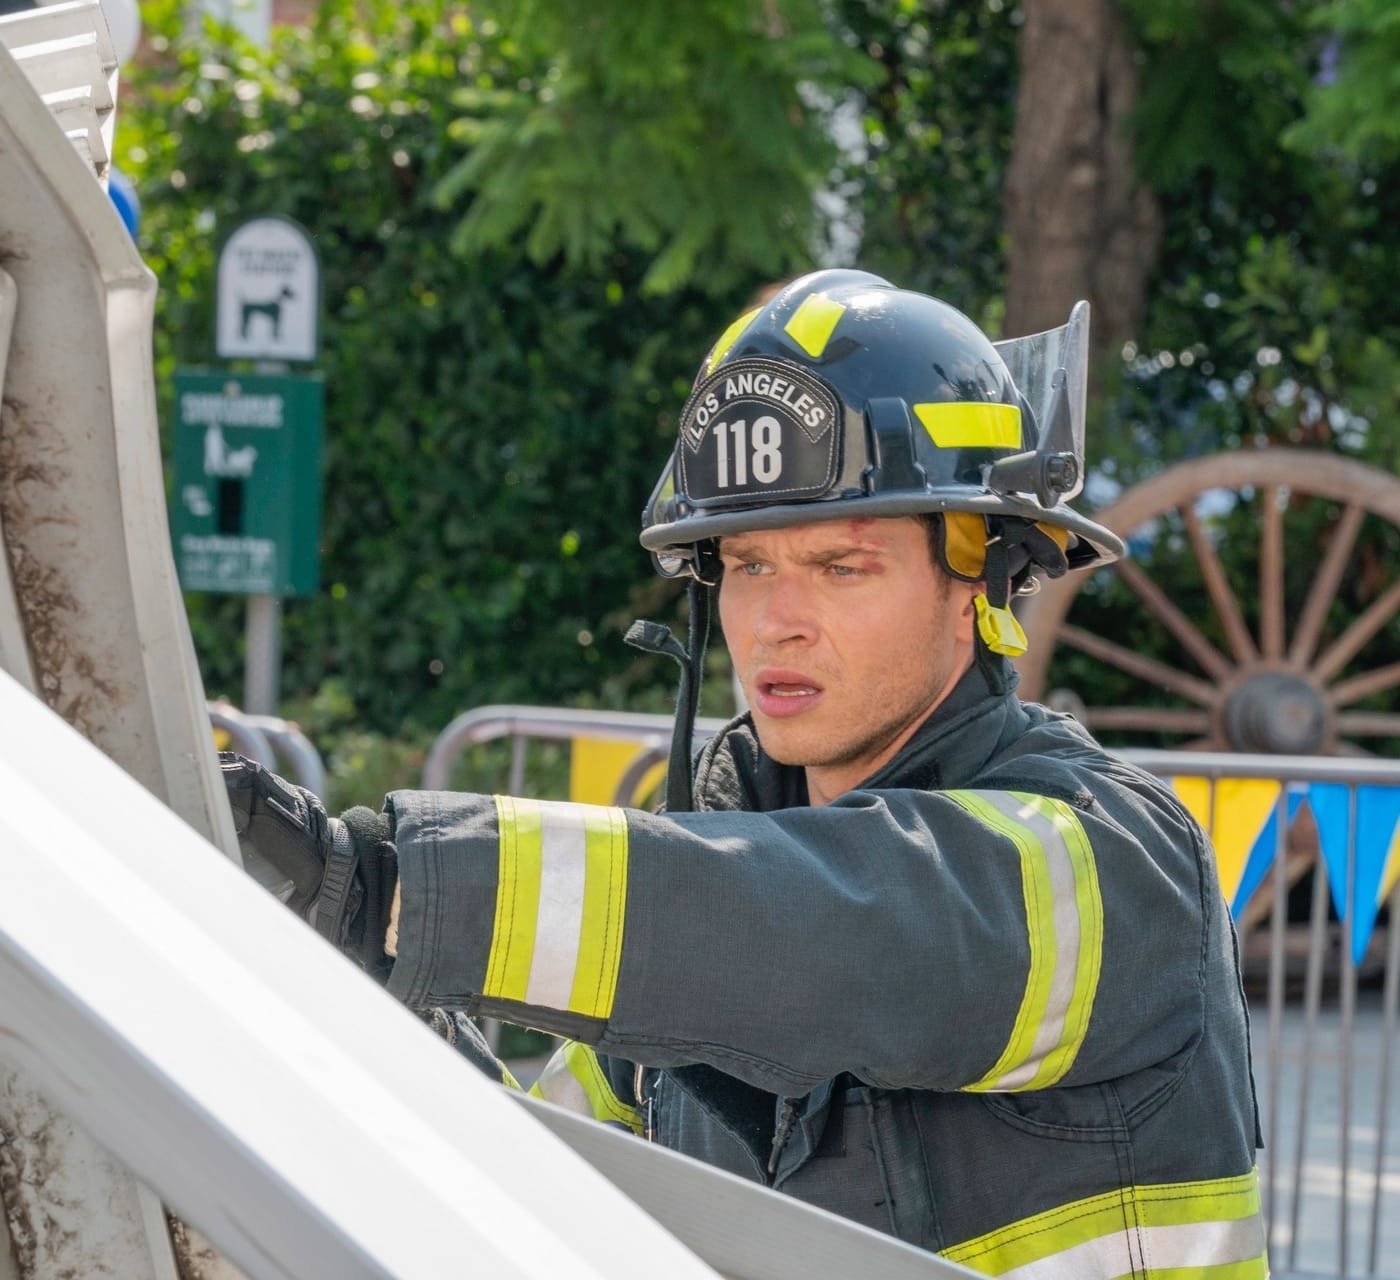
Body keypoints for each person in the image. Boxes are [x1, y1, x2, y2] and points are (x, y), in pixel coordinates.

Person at [224, 270, 1266, 1276]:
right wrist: (376, 1002)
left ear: (978, 584)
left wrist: (396, 889)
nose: (776, 621)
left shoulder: (1120, 862)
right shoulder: (685, 908)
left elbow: (850, 934)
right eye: (747, 563)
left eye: (841, 565)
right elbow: (543, 1193)